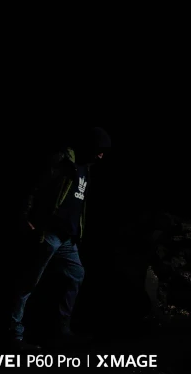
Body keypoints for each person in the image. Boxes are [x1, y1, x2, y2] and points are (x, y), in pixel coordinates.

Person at [7, 126, 112, 351]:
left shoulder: (86, 168)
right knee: (27, 284)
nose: (102, 155)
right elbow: (34, 187)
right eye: (100, 149)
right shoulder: (62, 161)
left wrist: (77, 231)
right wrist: (25, 216)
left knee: (76, 275)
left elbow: (78, 203)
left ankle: (61, 330)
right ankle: (13, 336)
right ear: (90, 146)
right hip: (48, 232)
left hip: (67, 238)